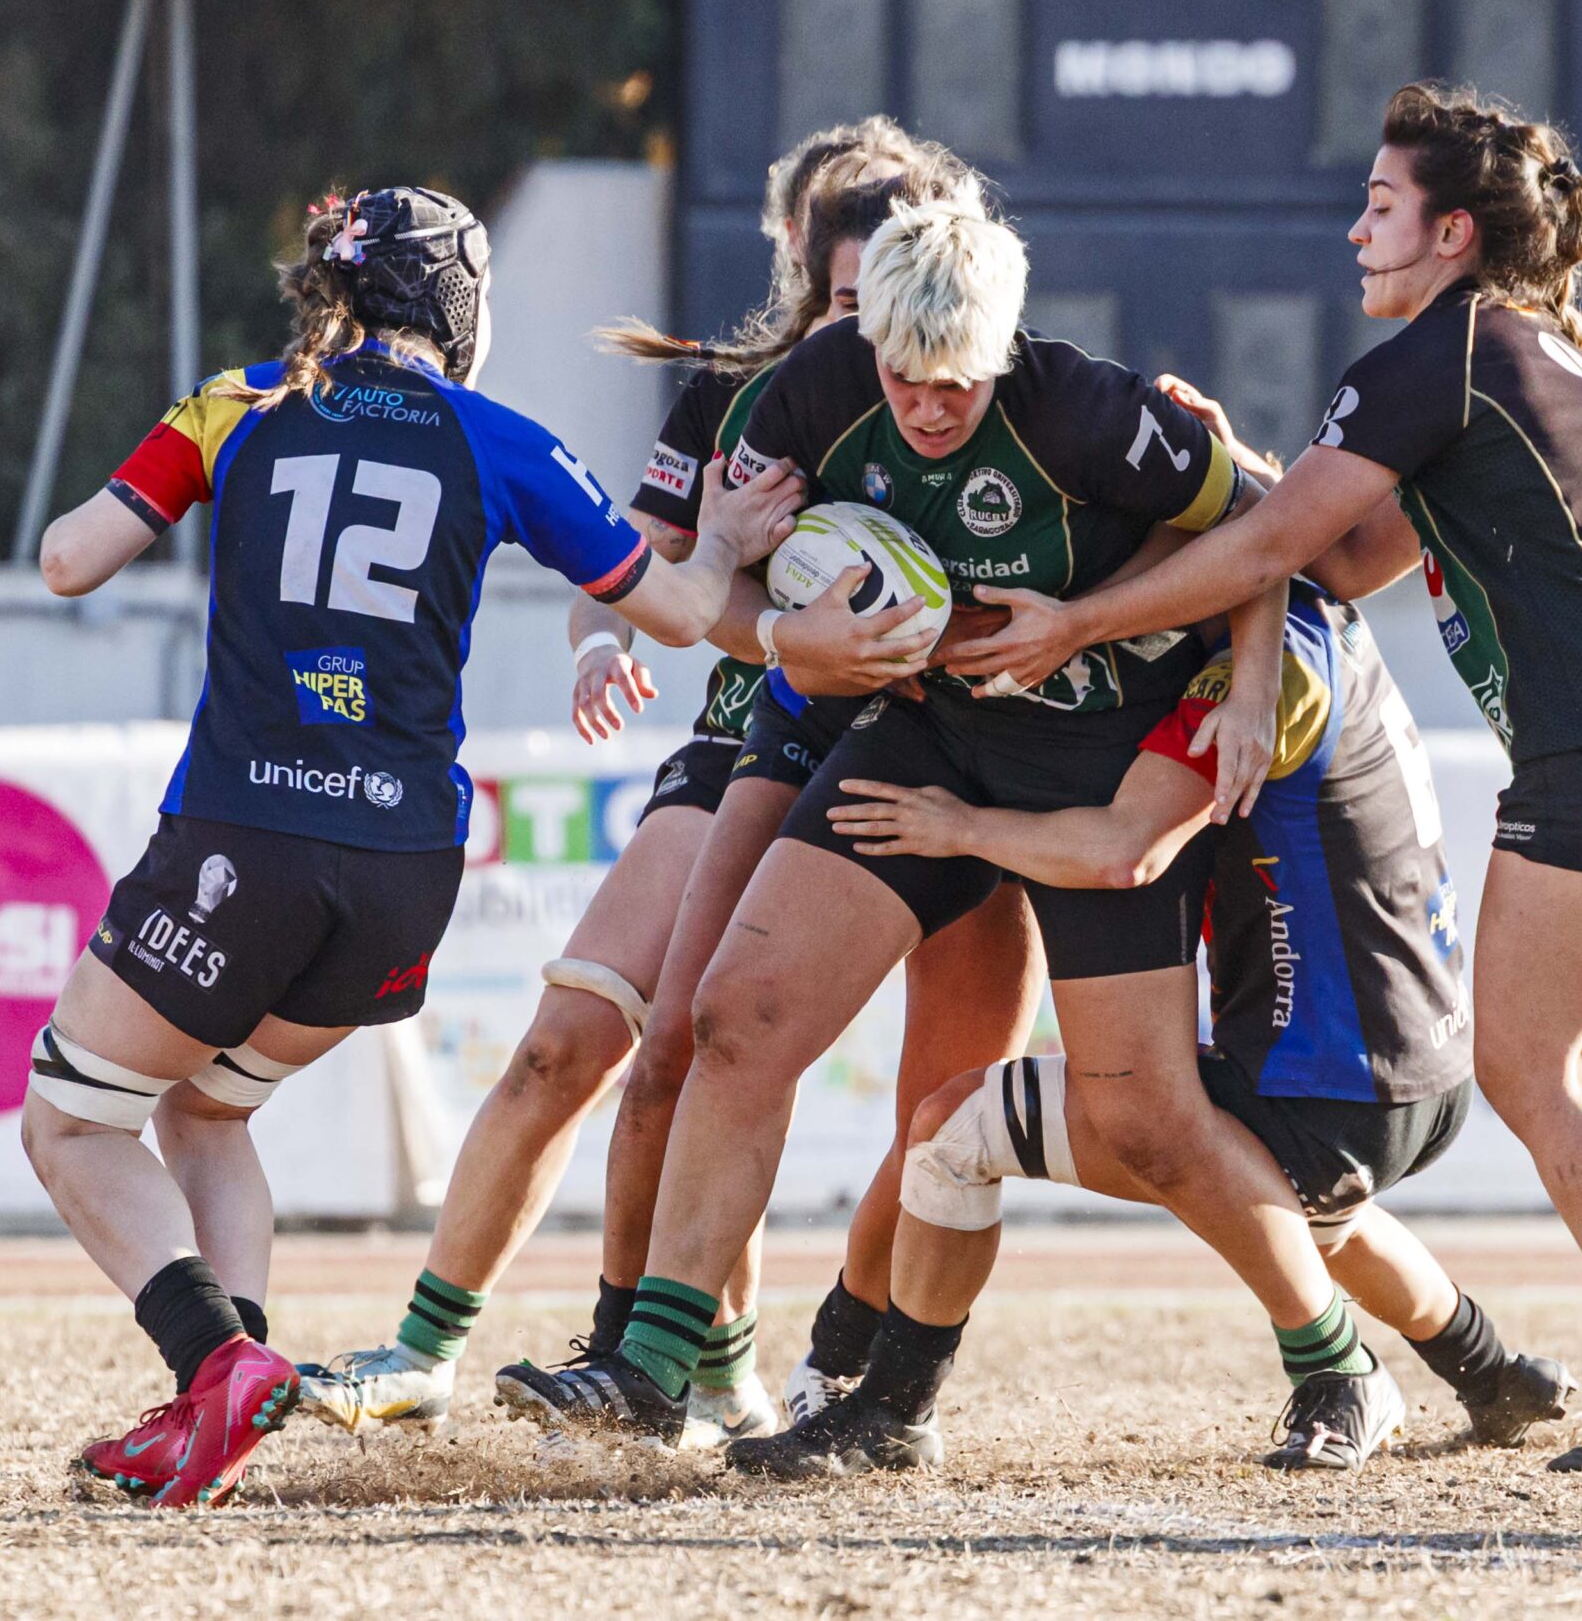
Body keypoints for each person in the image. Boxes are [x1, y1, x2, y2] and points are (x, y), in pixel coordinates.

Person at [945, 82, 1582, 1474]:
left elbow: (1260, 550)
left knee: (1535, 1076)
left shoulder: (1444, 349)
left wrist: (1071, 621)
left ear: (1452, 232)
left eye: (1378, 205)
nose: (1355, 229)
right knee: (1577, 1069)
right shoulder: (1509, 347)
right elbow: (1341, 563)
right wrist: (1246, 472)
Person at [492, 199, 1396, 1463]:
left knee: (1142, 1114)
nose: (925, 409)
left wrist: (1246, 689)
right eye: (905, 381)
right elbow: (712, 582)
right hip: (929, 731)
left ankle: (1336, 1363)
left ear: (1007, 343)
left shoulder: (1090, 410)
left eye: (955, 388)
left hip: (1096, 757)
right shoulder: (809, 391)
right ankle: (656, 1367)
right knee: (735, 1016)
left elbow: (1263, 530)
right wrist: (785, 637)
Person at [26, 186, 797, 1507]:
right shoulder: (506, 439)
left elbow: (65, 561)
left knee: (70, 1121)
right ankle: (223, 1399)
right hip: (402, 878)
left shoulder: (242, 398)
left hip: (244, 835)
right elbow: (672, 609)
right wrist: (722, 536)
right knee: (208, 1107)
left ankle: (216, 1360)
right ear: (463, 309)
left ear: (335, 292)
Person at [298, 132, 1028, 1452]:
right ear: (811, 277)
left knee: (940, 1110)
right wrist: (612, 647)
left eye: (893, 290)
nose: (872, 322)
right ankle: (510, 1352)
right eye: (846, 290)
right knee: (617, 1041)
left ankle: (821, 1364)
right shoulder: (755, 400)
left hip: (949, 762)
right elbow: (644, 574)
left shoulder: (1005, 406)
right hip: (756, 743)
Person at [724, 583, 1575, 1475]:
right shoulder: (1327, 626)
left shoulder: (1256, 675)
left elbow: (1121, 850)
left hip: (1321, 1085)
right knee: (1294, 1204)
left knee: (951, 1129)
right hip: (1414, 1071)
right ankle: (1489, 1370)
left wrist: (961, 825)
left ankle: (898, 1409)